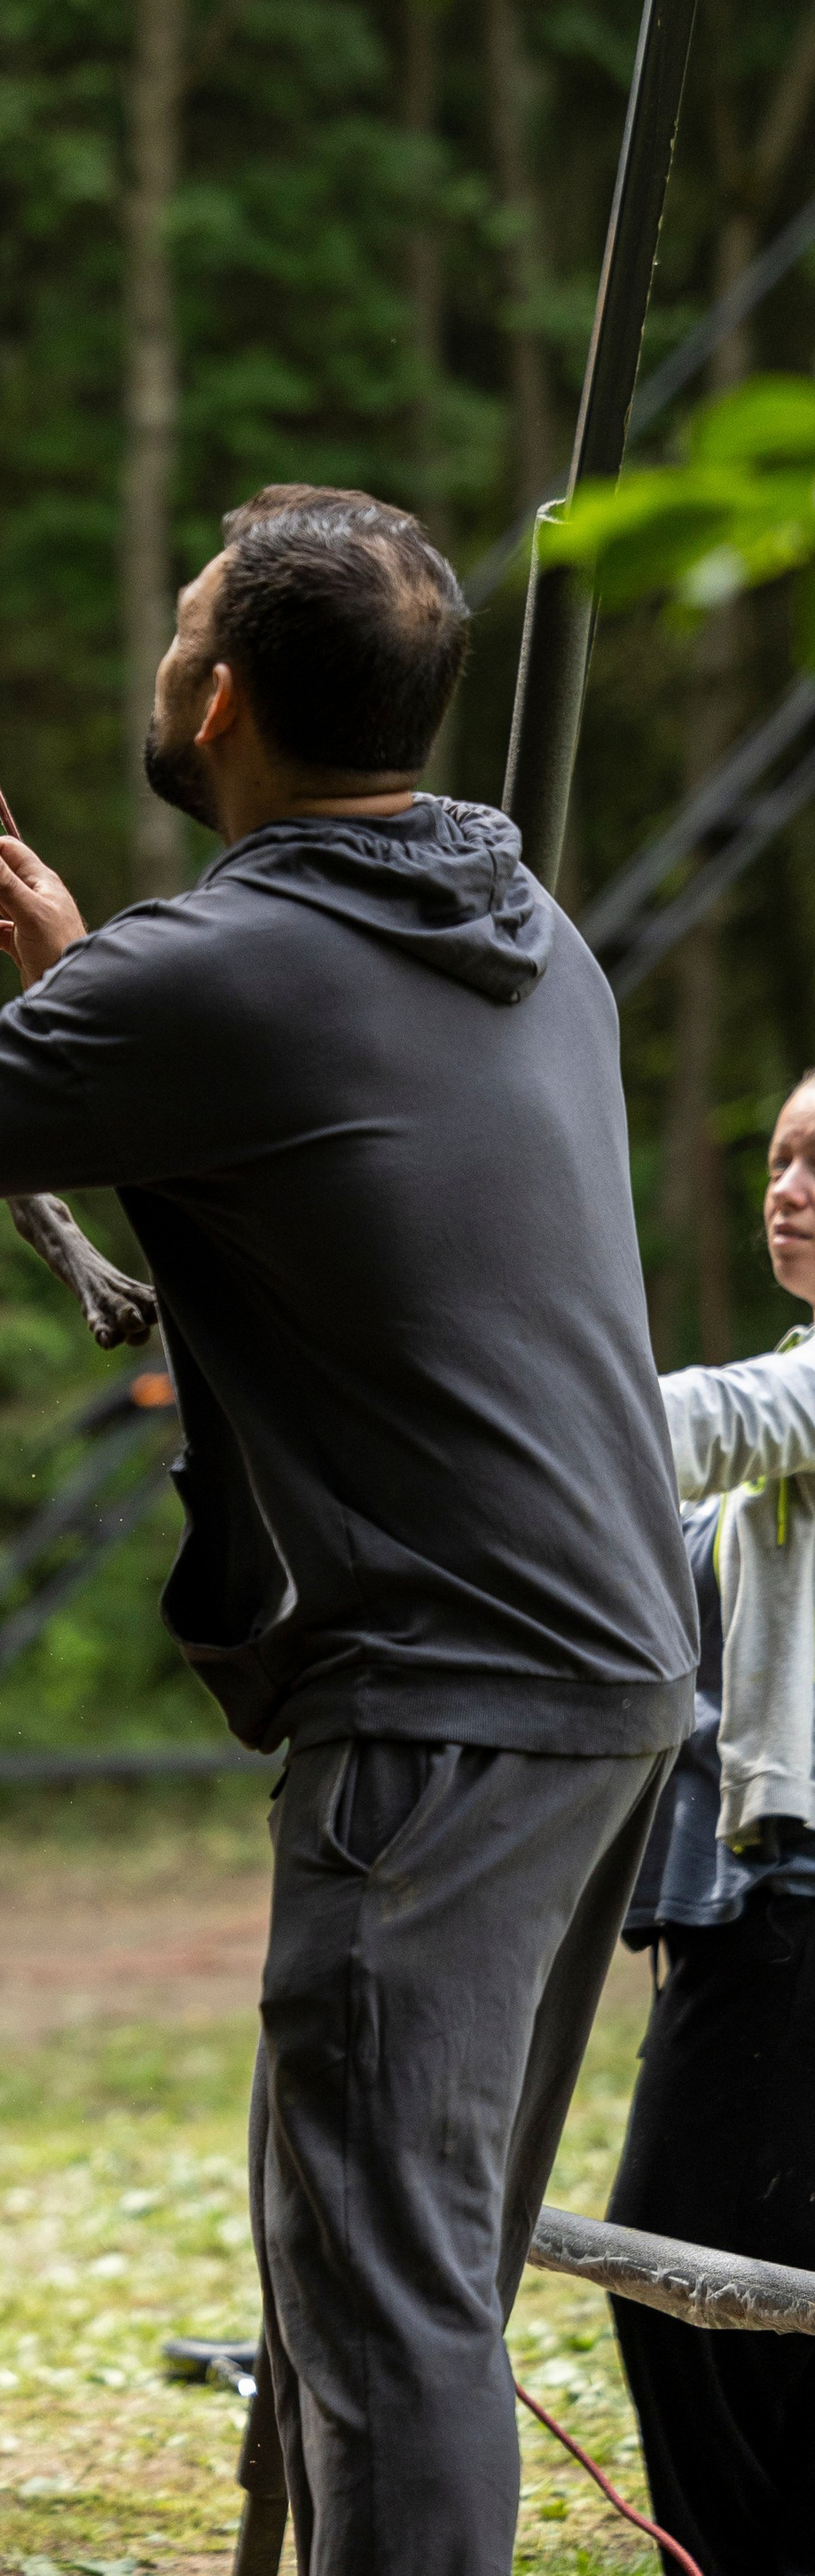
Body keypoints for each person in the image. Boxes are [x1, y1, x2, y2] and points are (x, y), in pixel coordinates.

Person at [0, 484, 696, 2576]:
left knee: (384, 2304)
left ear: (224, 693)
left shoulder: (223, 974)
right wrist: (93, 976)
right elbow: (318, 1155)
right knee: (403, 2263)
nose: (163, 655)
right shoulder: (527, 942)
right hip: (609, 1674)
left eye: (182, 625)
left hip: (443, 1710)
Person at [606, 1068, 815, 2576]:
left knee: (681, 2267)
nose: (788, 1187)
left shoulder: (794, 1403)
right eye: (783, 1156)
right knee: (750, 2273)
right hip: (757, 1904)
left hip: (796, 1911)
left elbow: (700, 1424)